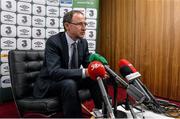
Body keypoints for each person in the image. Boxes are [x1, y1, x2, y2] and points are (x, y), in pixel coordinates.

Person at [33, 10, 103, 117]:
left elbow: (87, 63)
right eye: (80, 24)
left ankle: (103, 111)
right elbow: (54, 72)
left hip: (70, 80)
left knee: (96, 77)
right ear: (67, 26)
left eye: (85, 24)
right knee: (69, 83)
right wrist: (86, 72)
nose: (84, 28)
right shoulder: (54, 42)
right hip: (51, 82)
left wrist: (98, 68)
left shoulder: (83, 42)